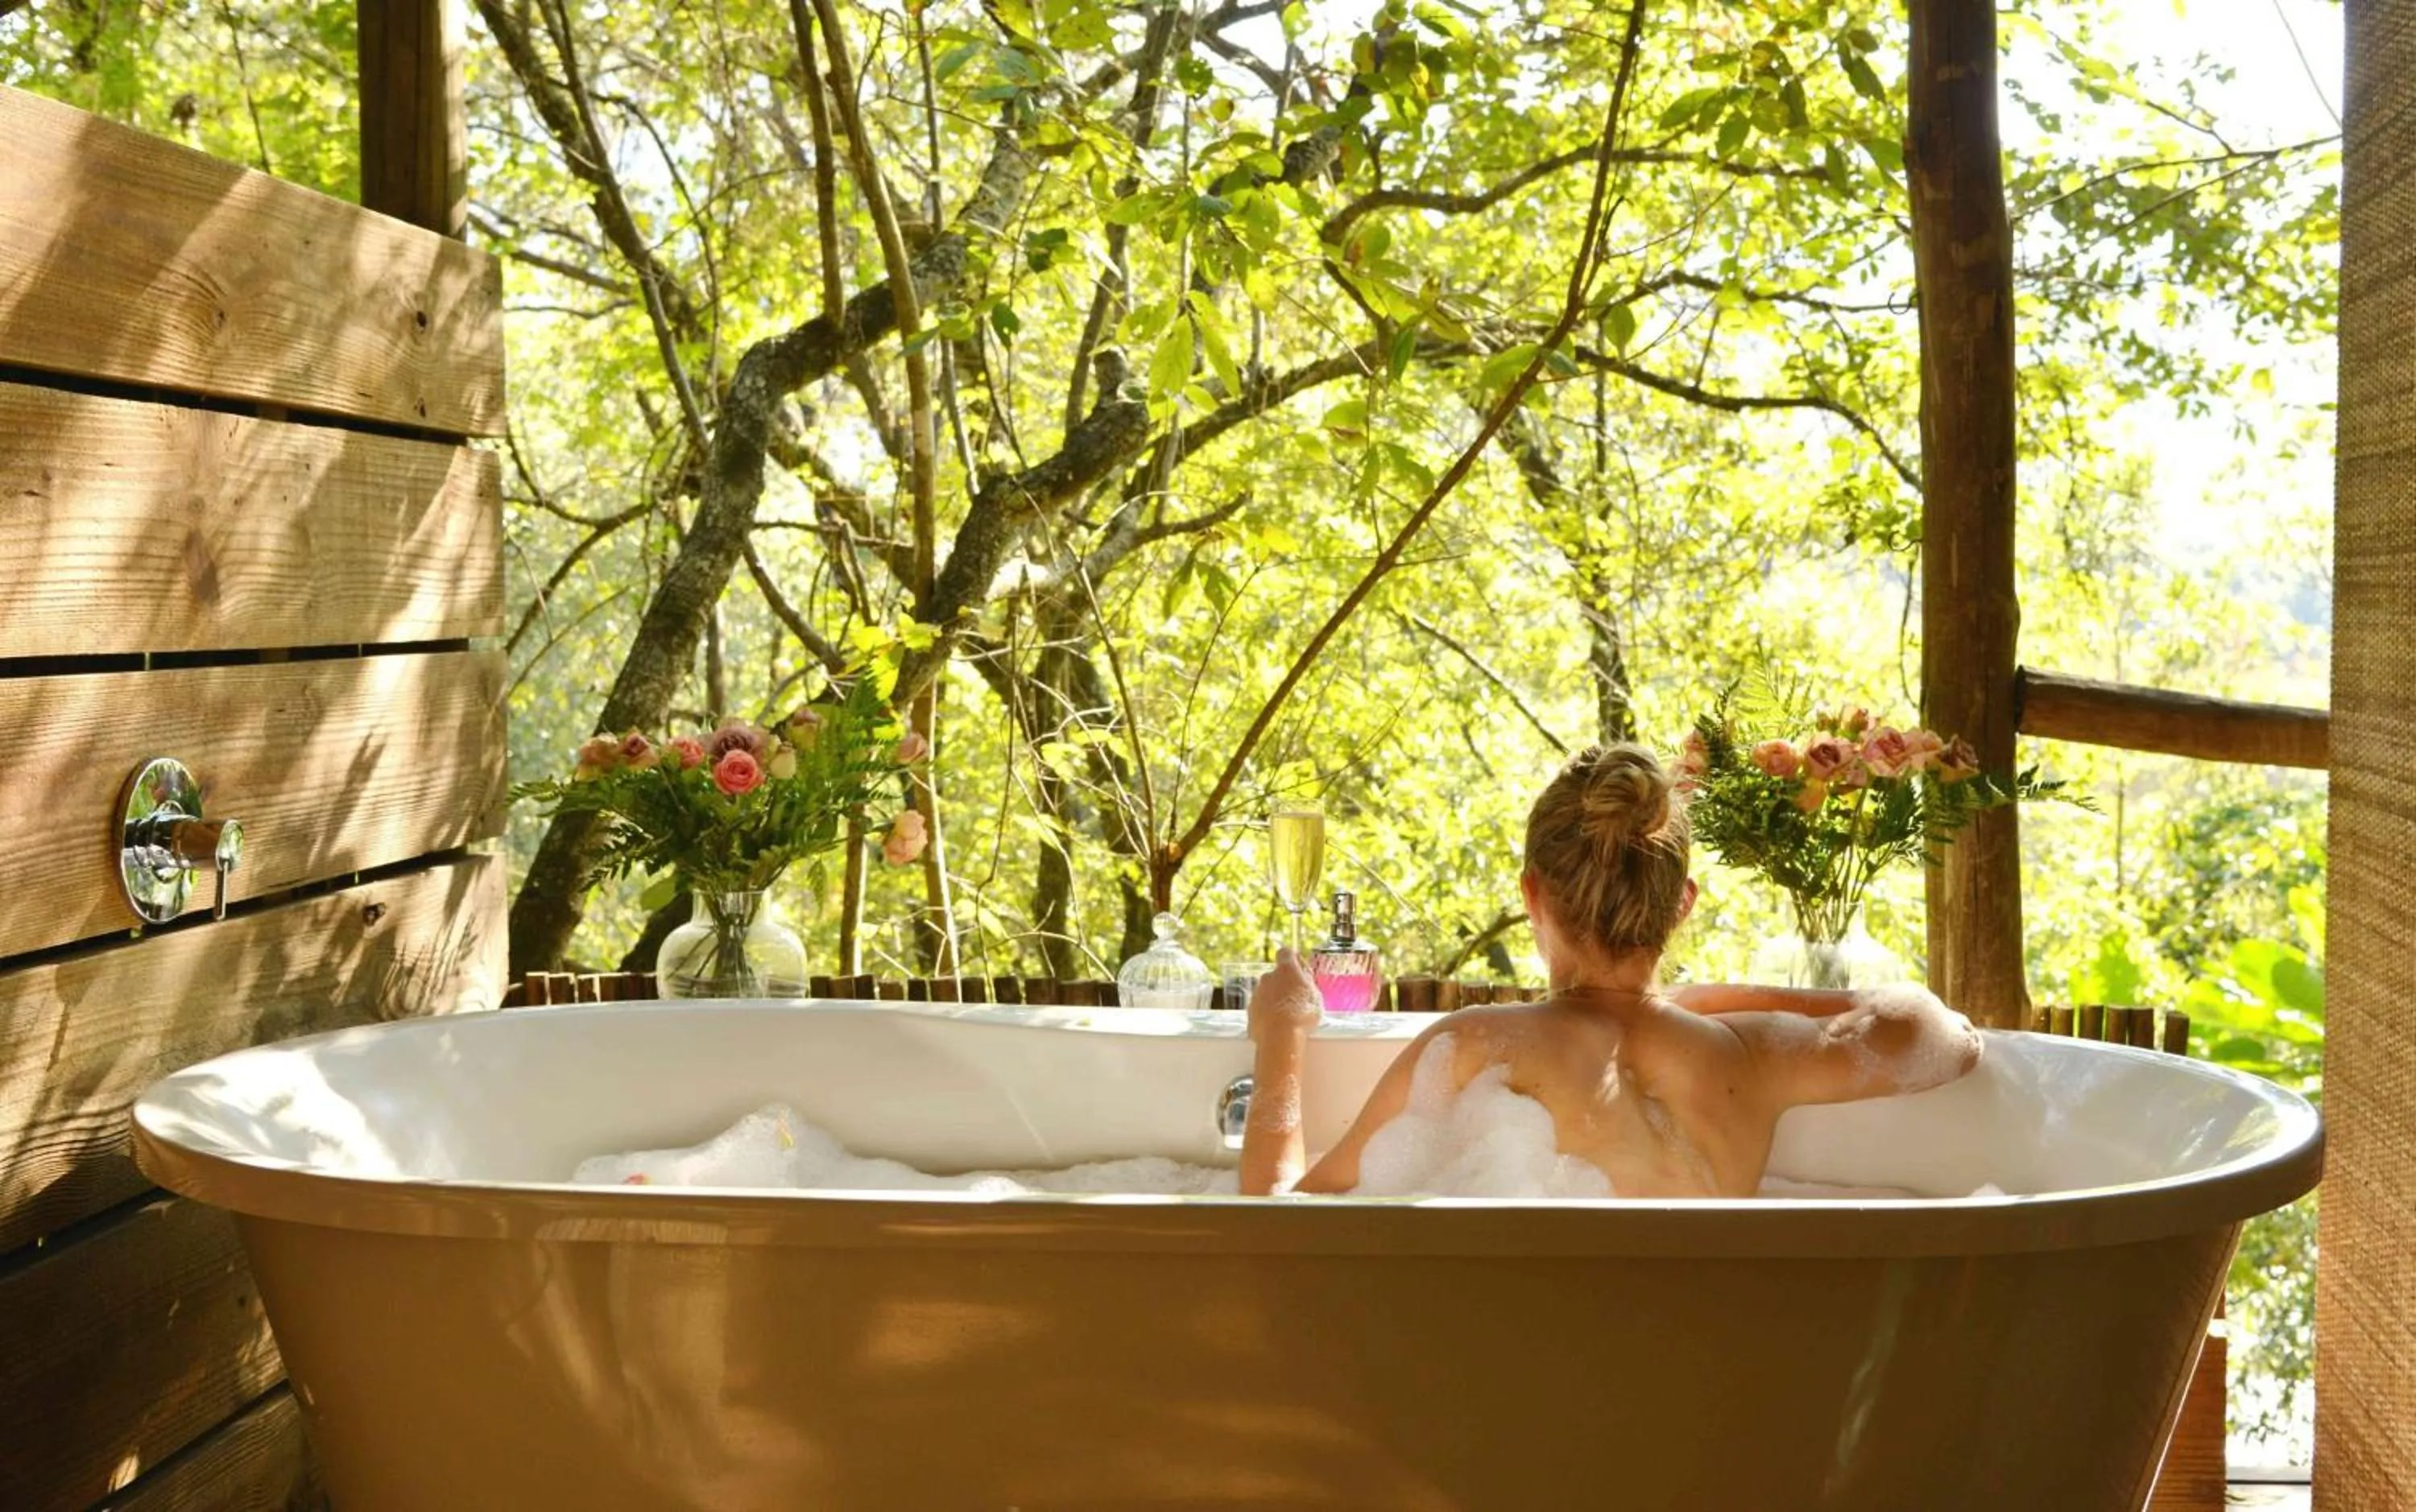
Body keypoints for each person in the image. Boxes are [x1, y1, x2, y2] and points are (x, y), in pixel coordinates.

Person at [1239, 743, 1984, 1198]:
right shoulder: (1749, 1058)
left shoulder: (1474, 1046)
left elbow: (1280, 1220)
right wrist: (1700, 1004)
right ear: (1682, 906)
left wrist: (1281, 1037)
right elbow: (1934, 1033)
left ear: (1533, 892)